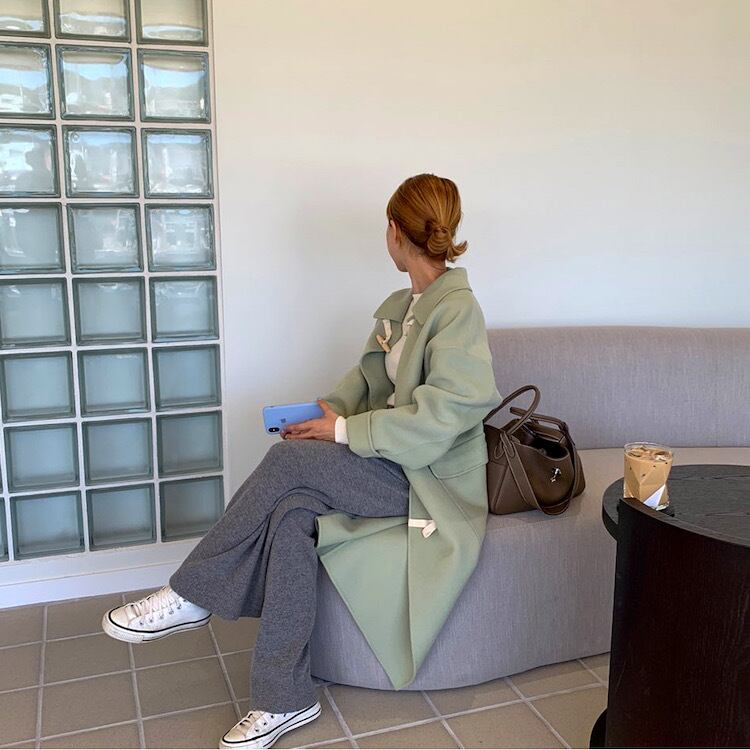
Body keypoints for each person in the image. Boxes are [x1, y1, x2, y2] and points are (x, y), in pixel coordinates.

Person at [101, 173, 502, 749]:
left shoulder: (457, 311)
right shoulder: (402, 306)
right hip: (389, 462)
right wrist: (329, 410)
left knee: (288, 463)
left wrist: (340, 430)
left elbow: (447, 416)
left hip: (428, 480)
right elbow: (364, 381)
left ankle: (193, 594)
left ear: (394, 231)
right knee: (292, 515)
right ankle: (283, 699)